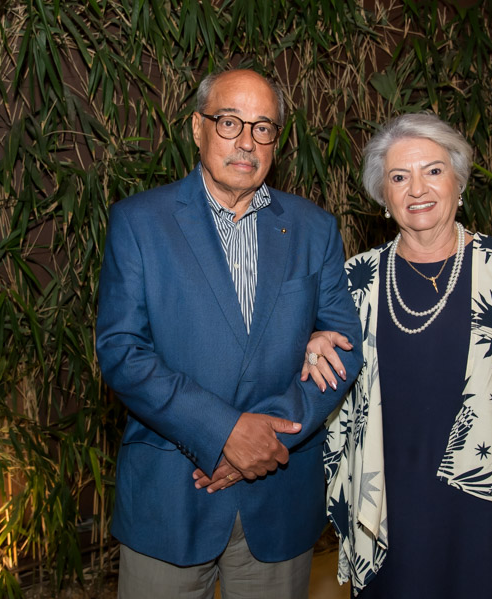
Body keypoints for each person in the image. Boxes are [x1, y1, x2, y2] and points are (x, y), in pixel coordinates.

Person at [95, 68, 362, 599]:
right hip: (171, 494)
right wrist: (224, 432)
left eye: (263, 127)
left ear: (276, 141)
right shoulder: (139, 222)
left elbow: (345, 348)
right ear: (198, 128)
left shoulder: (314, 228)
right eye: (229, 122)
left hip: (277, 493)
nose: (246, 141)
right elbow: (122, 352)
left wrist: (264, 441)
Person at [302, 113, 492, 597]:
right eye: (399, 177)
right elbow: (326, 376)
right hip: (389, 510)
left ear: (459, 180)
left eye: (433, 170)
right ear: (383, 196)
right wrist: (313, 347)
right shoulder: (356, 281)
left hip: (487, 506)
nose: (417, 189)